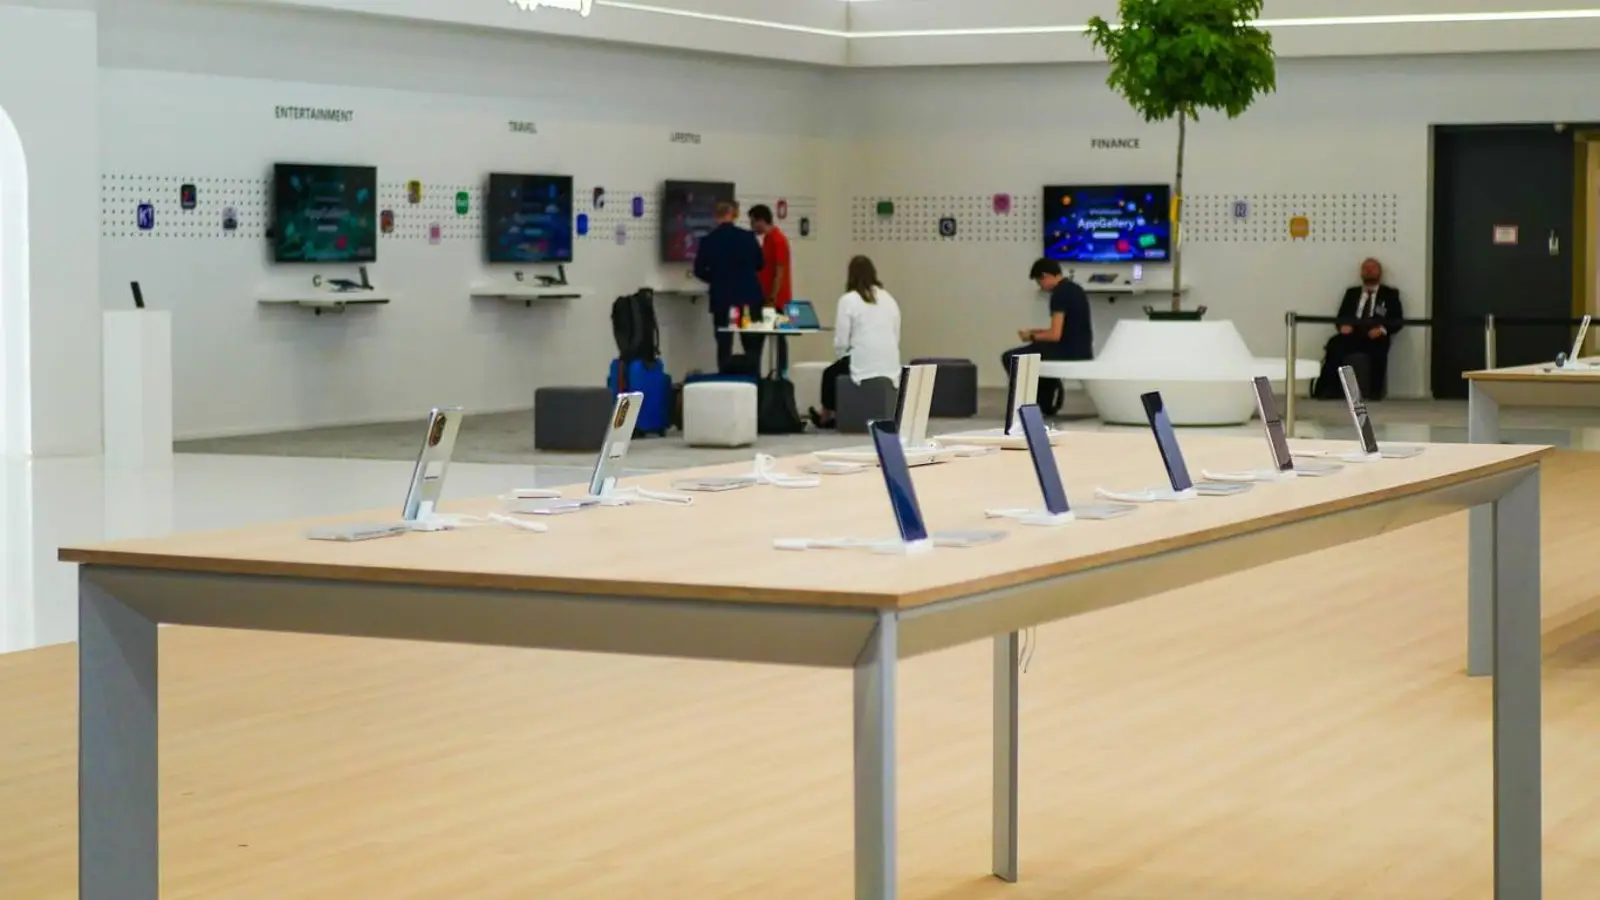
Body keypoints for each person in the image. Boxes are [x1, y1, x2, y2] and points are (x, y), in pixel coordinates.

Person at [809, 256, 901, 429]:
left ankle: (827, 414)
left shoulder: (848, 300)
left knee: (830, 374)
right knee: (837, 370)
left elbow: (842, 341)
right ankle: (831, 413)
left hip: (863, 361)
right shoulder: (889, 299)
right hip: (890, 362)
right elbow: (896, 335)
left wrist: (841, 356)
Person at [1002, 258, 1093, 413]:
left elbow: (1055, 335)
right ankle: (1045, 402)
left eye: (1039, 282)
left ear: (1045, 276)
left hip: (1067, 351)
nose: (1041, 287)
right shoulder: (1075, 289)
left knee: (1011, 357)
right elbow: (1065, 329)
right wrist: (1037, 333)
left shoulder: (1059, 295)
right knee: (1037, 349)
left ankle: (1031, 402)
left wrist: (1031, 337)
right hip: (1082, 348)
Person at [1313, 258, 1404, 400]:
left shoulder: (1390, 294)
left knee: (1379, 349)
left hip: (1375, 336)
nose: (1369, 271)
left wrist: (1382, 329)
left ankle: (1375, 393)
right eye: (1365, 268)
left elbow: (1397, 320)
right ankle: (1325, 390)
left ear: (1380, 272)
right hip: (1353, 334)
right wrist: (1343, 326)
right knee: (1335, 345)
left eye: (1373, 268)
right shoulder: (1352, 293)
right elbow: (1341, 316)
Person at [692, 201, 765, 372]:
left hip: (722, 300)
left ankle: (725, 379)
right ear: (734, 215)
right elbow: (760, 263)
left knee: (724, 345)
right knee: (751, 344)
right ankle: (754, 380)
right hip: (747, 299)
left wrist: (716, 279)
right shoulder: (747, 238)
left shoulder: (708, 241)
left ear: (715, 217)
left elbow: (699, 270)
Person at [749, 204, 792, 375]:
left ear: (761, 221)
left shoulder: (778, 240)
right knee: (759, 338)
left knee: (779, 338)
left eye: (753, 222)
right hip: (765, 297)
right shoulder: (767, 239)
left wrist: (772, 297)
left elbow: (780, 271)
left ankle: (782, 372)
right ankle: (757, 373)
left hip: (776, 300)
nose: (752, 227)